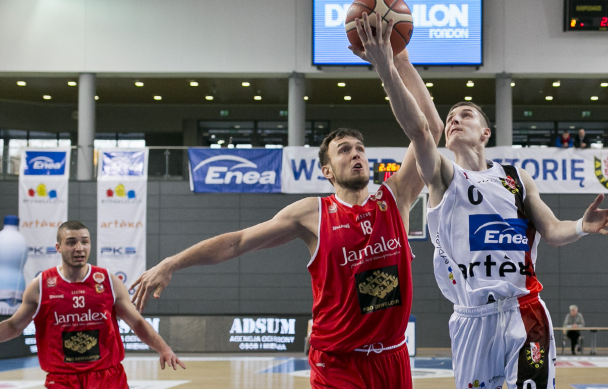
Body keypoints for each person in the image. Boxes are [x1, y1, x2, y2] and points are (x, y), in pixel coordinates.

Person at [130, 50, 443, 389]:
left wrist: (399, 61)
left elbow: (430, 128)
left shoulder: (395, 198)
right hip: (338, 361)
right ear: (327, 171)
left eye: (359, 148)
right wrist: (173, 262)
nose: (355, 153)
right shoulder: (312, 213)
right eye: (344, 150)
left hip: (391, 358)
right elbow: (237, 242)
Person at [353, 12, 608, 389]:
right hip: (470, 319)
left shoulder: (516, 178)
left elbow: (551, 231)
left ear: (485, 132)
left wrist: (582, 226)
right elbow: (419, 128)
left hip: (523, 310)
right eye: (450, 117)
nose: (454, 119)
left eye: (464, 114)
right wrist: (392, 64)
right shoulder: (445, 177)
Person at [0, 221, 184, 389]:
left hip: (108, 378)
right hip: (63, 379)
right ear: (58, 247)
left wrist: (163, 348)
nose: (79, 248)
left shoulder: (108, 281)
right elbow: (14, 325)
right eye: (71, 242)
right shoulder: (40, 286)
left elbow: (135, 322)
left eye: (84, 242)